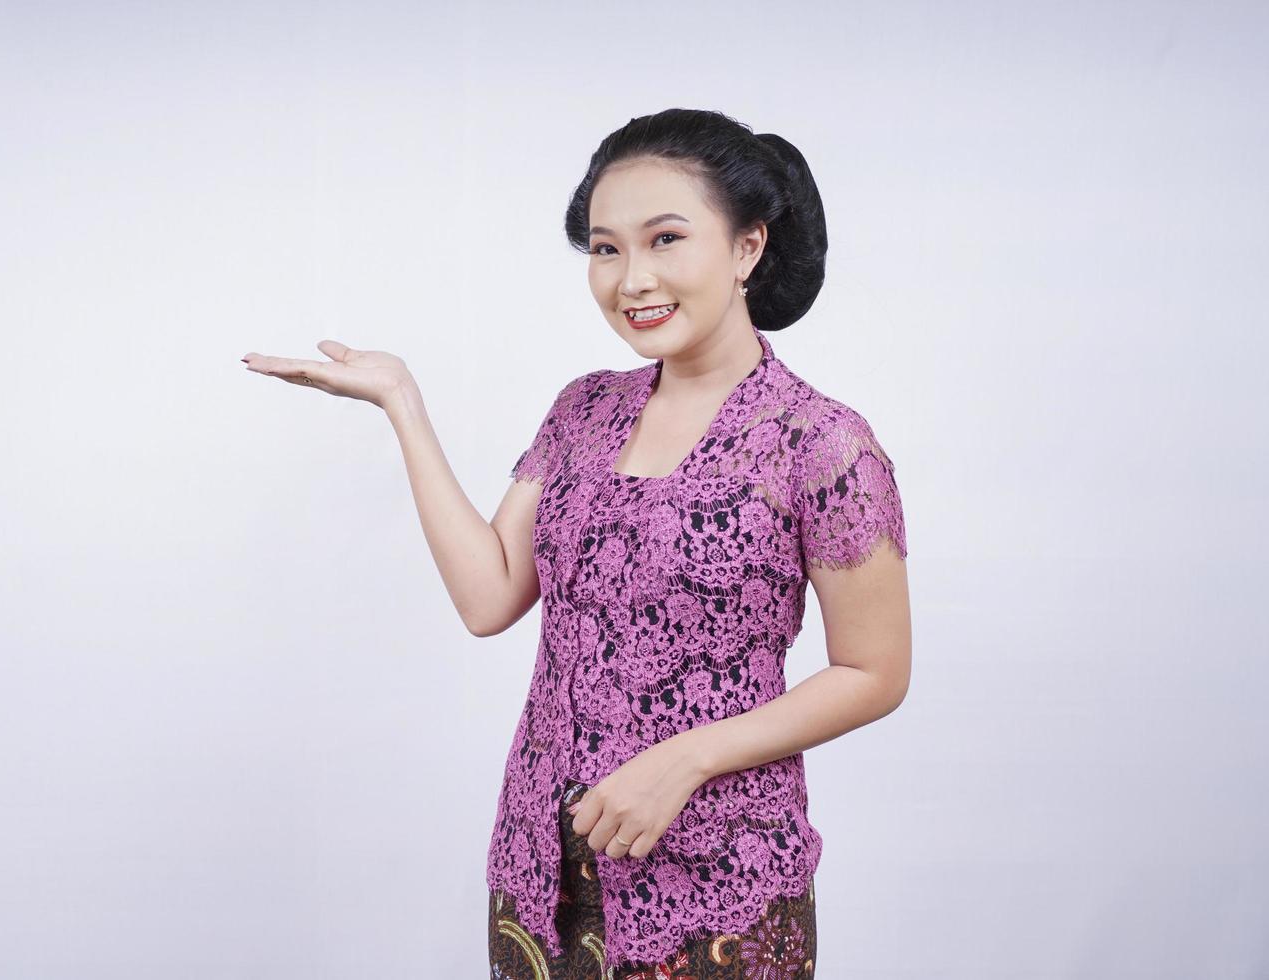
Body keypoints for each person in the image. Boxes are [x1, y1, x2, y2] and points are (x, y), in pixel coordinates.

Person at [241, 107, 910, 980]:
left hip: (718, 879)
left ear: (747, 246)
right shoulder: (583, 410)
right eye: (605, 249)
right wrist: (403, 404)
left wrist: (687, 759)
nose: (632, 279)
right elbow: (490, 599)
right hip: (541, 863)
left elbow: (875, 672)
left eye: (666, 239)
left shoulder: (820, 443)